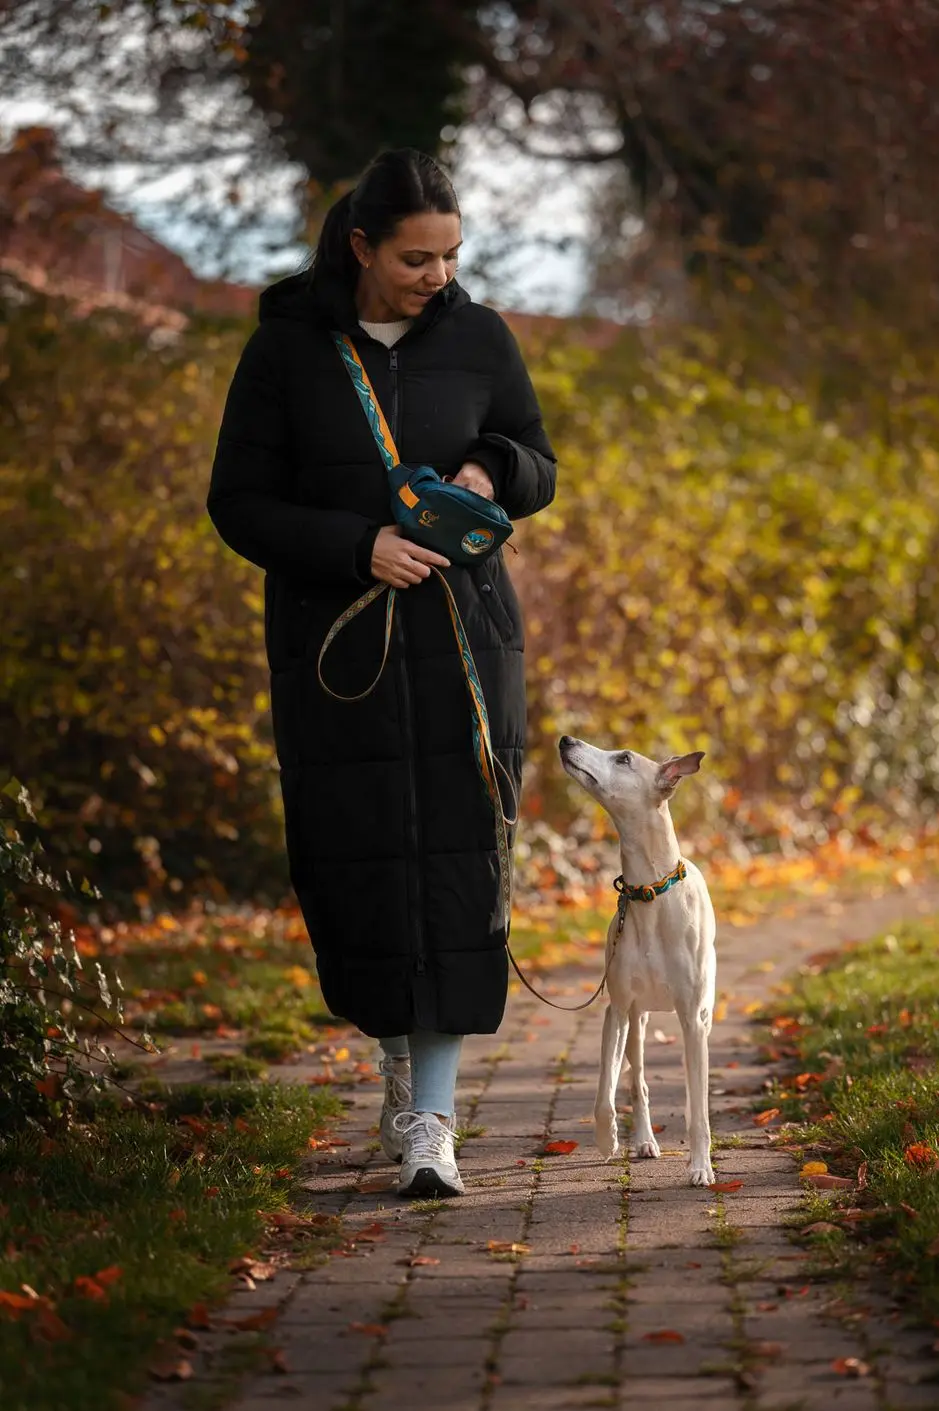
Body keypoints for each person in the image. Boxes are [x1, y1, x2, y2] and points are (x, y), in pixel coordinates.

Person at [207, 148, 556, 1198]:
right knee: (360, 869)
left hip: (465, 646)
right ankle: (400, 1071)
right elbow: (238, 504)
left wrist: (490, 467)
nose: (438, 277)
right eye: (416, 259)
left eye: (451, 256)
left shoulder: (481, 338)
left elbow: (536, 459)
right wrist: (357, 546)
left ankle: (432, 1123)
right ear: (361, 247)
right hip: (338, 656)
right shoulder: (286, 350)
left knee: (456, 865)